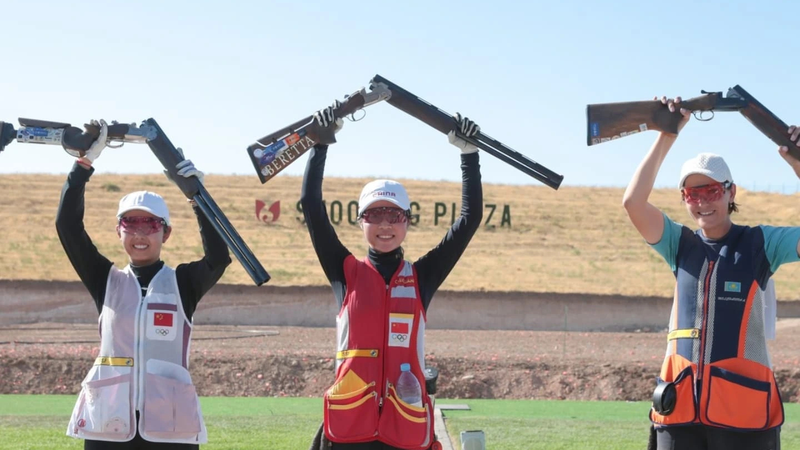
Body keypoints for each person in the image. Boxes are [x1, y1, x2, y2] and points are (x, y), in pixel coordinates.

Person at [300, 104, 483, 450]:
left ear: (407, 222)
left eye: (394, 215)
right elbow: (311, 205)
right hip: (349, 428)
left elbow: (469, 220)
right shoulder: (346, 272)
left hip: (404, 426)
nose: (385, 224)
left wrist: (469, 154)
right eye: (374, 215)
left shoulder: (421, 277)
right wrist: (320, 144)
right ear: (361, 221)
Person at [624, 98, 800, 450]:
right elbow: (633, 203)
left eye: (712, 191)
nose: (702, 202)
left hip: (743, 413)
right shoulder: (679, 243)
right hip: (679, 411)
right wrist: (666, 134)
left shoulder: (761, 243)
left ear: (731, 192)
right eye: (692, 194)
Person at [57, 120, 232, 449]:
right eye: (130, 223)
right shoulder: (106, 280)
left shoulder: (182, 283)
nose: (140, 233)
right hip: (108, 424)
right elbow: (67, 226)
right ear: (118, 231)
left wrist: (198, 197)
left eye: (150, 224)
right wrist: (83, 165)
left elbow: (218, 258)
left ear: (166, 233)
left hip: (170, 426)